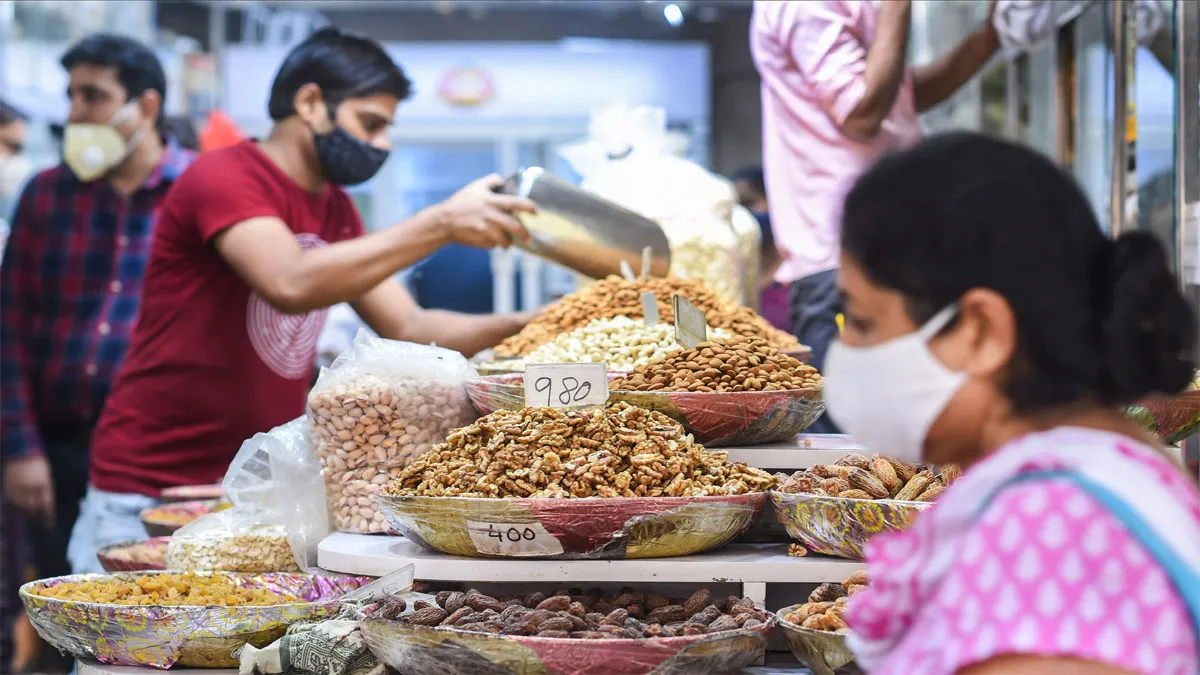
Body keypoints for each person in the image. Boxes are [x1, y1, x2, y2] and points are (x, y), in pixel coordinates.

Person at [72, 27, 537, 572]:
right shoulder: (224, 175)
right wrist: (442, 223)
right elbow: (288, 282)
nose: (382, 144)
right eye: (371, 123)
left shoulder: (336, 209)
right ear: (310, 102)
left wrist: (538, 322)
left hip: (260, 489)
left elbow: (410, 322)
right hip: (151, 484)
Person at [825, 132, 1198, 674]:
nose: (847, 351)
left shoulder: (1053, 530)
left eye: (862, 322)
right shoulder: (1111, 462)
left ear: (979, 331)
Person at [0, 35, 191, 674]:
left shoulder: (194, 194)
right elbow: (9, 326)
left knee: (157, 619)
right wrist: (20, 448)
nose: (76, 113)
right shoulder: (48, 195)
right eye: (72, 95)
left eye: (94, 96)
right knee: (61, 617)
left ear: (145, 105)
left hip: (156, 452)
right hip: (55, 448)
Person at [751, 0, 999, 432]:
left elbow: (897, 94)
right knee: (849, 456)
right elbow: (863, 110)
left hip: (886, 252)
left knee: (903, 441)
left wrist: (990, 39)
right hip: (842, 260)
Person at [731, 166, 788, 331]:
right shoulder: (732, 269)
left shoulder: (793, 278)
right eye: (734, 207)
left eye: (748, 203)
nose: (741, 214)